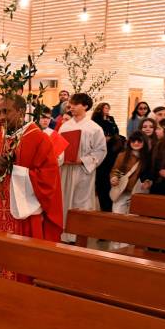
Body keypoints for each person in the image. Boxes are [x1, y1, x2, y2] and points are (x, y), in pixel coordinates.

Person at [0, 95, 64, 281]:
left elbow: (48, 178)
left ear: (21, 112)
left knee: (20, 266)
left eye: (6, 111)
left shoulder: (39, 139)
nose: (1, 116)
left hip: (23, 217)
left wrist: (14, 170)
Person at [58, 93, 107, 243]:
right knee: (64, 201)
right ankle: (63, 235)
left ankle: (78, 236)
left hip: (83, 171)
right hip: (66, 170)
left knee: (80, 203)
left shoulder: (94, 128)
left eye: (75, 104)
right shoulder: (65, 126)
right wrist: (61, 157)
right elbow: (58, 147)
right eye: (70, 104)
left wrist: (83, 160)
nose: (71, 107)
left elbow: (101, 150)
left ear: (85, 106)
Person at [110, 131, 151, 214]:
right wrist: (114, 178)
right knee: (117, 215)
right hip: (122, 191)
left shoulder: (149, 157)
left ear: (144, 142)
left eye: (139, 141)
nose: (136, 143)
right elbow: (116, 170)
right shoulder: (122, 155)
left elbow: (151, 173)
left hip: (139, 193)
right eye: (133, 141)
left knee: (134, 219)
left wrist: (148, 181)